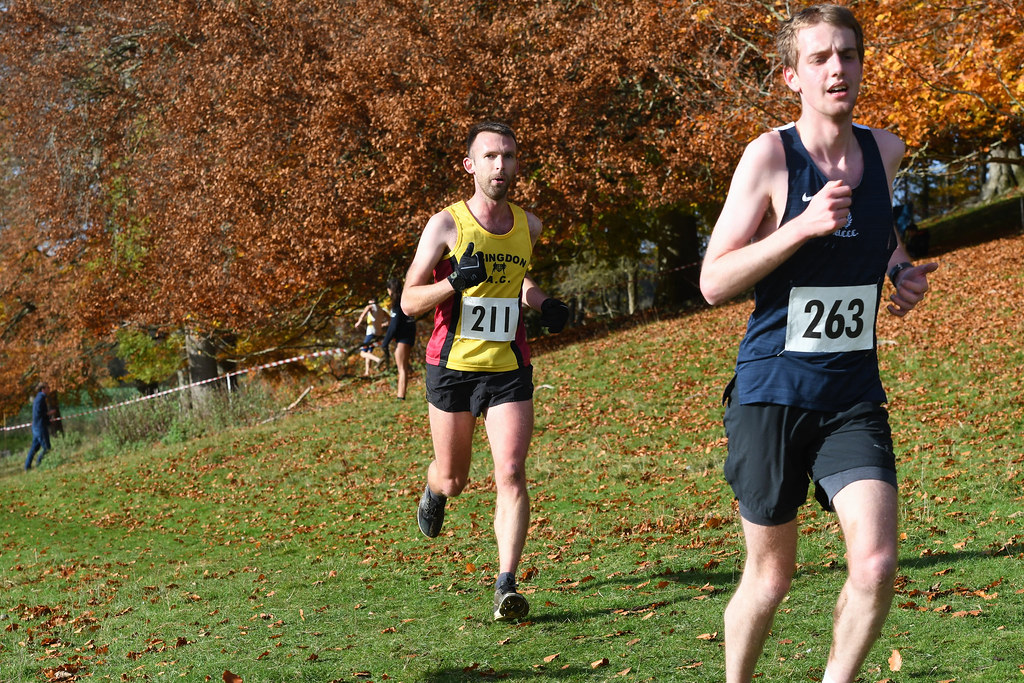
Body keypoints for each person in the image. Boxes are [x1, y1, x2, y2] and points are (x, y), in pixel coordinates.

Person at [698, 6, 939, 683]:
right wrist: (799, 229)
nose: (838, 68)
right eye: (820, 58)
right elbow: (714, 280)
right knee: (771, 579)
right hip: (772, 394)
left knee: (877, 563)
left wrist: (899, 270)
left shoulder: (884, 150)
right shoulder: (771, 157)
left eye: (849, 54)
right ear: (791, 76)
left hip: (852, 395)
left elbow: (876, 224)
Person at [401, 120, 569, 622]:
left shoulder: (529, 225)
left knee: (512, 472)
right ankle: (434, 488)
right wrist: (454, 281)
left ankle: (505, 585)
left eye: (510, 156)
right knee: (455, 478)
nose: (502, 166)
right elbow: (409, 301)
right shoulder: (446, 225)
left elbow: (516, 280)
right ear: (472, 165)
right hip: (451, 367)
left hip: (508, 366)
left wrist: (543, 303)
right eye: (492, 157)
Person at [378, 277, 417, 400]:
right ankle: (401, 394)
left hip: (403, 339)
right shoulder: (406, 301)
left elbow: (394, 325)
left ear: (390, 290)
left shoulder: (397, 304)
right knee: (403, 367)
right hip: (408, 337)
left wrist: (385, 342)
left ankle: (401, 396)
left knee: (402, 368)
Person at [23, 382, 53, 470]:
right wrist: (49, 413)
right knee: (47, 447)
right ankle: (39, 464)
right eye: (48, 388)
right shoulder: (40, 399)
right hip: (40, 427)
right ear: (43, 389)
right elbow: (38, 413)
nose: (49, 389)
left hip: (36, 427)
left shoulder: (38, 398)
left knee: (35, 448)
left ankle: (27, 466)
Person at [354, 297, 384, 377]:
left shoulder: (370, 306)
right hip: (378, 333)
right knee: (369, 352)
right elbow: (389, 320)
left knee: (362, 353)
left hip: (371, 332)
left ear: (372, 301)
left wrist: (358, 322)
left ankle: (378, 360)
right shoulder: (381, 309)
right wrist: (382, 325)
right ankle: (367, 372)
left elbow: (363, 314)